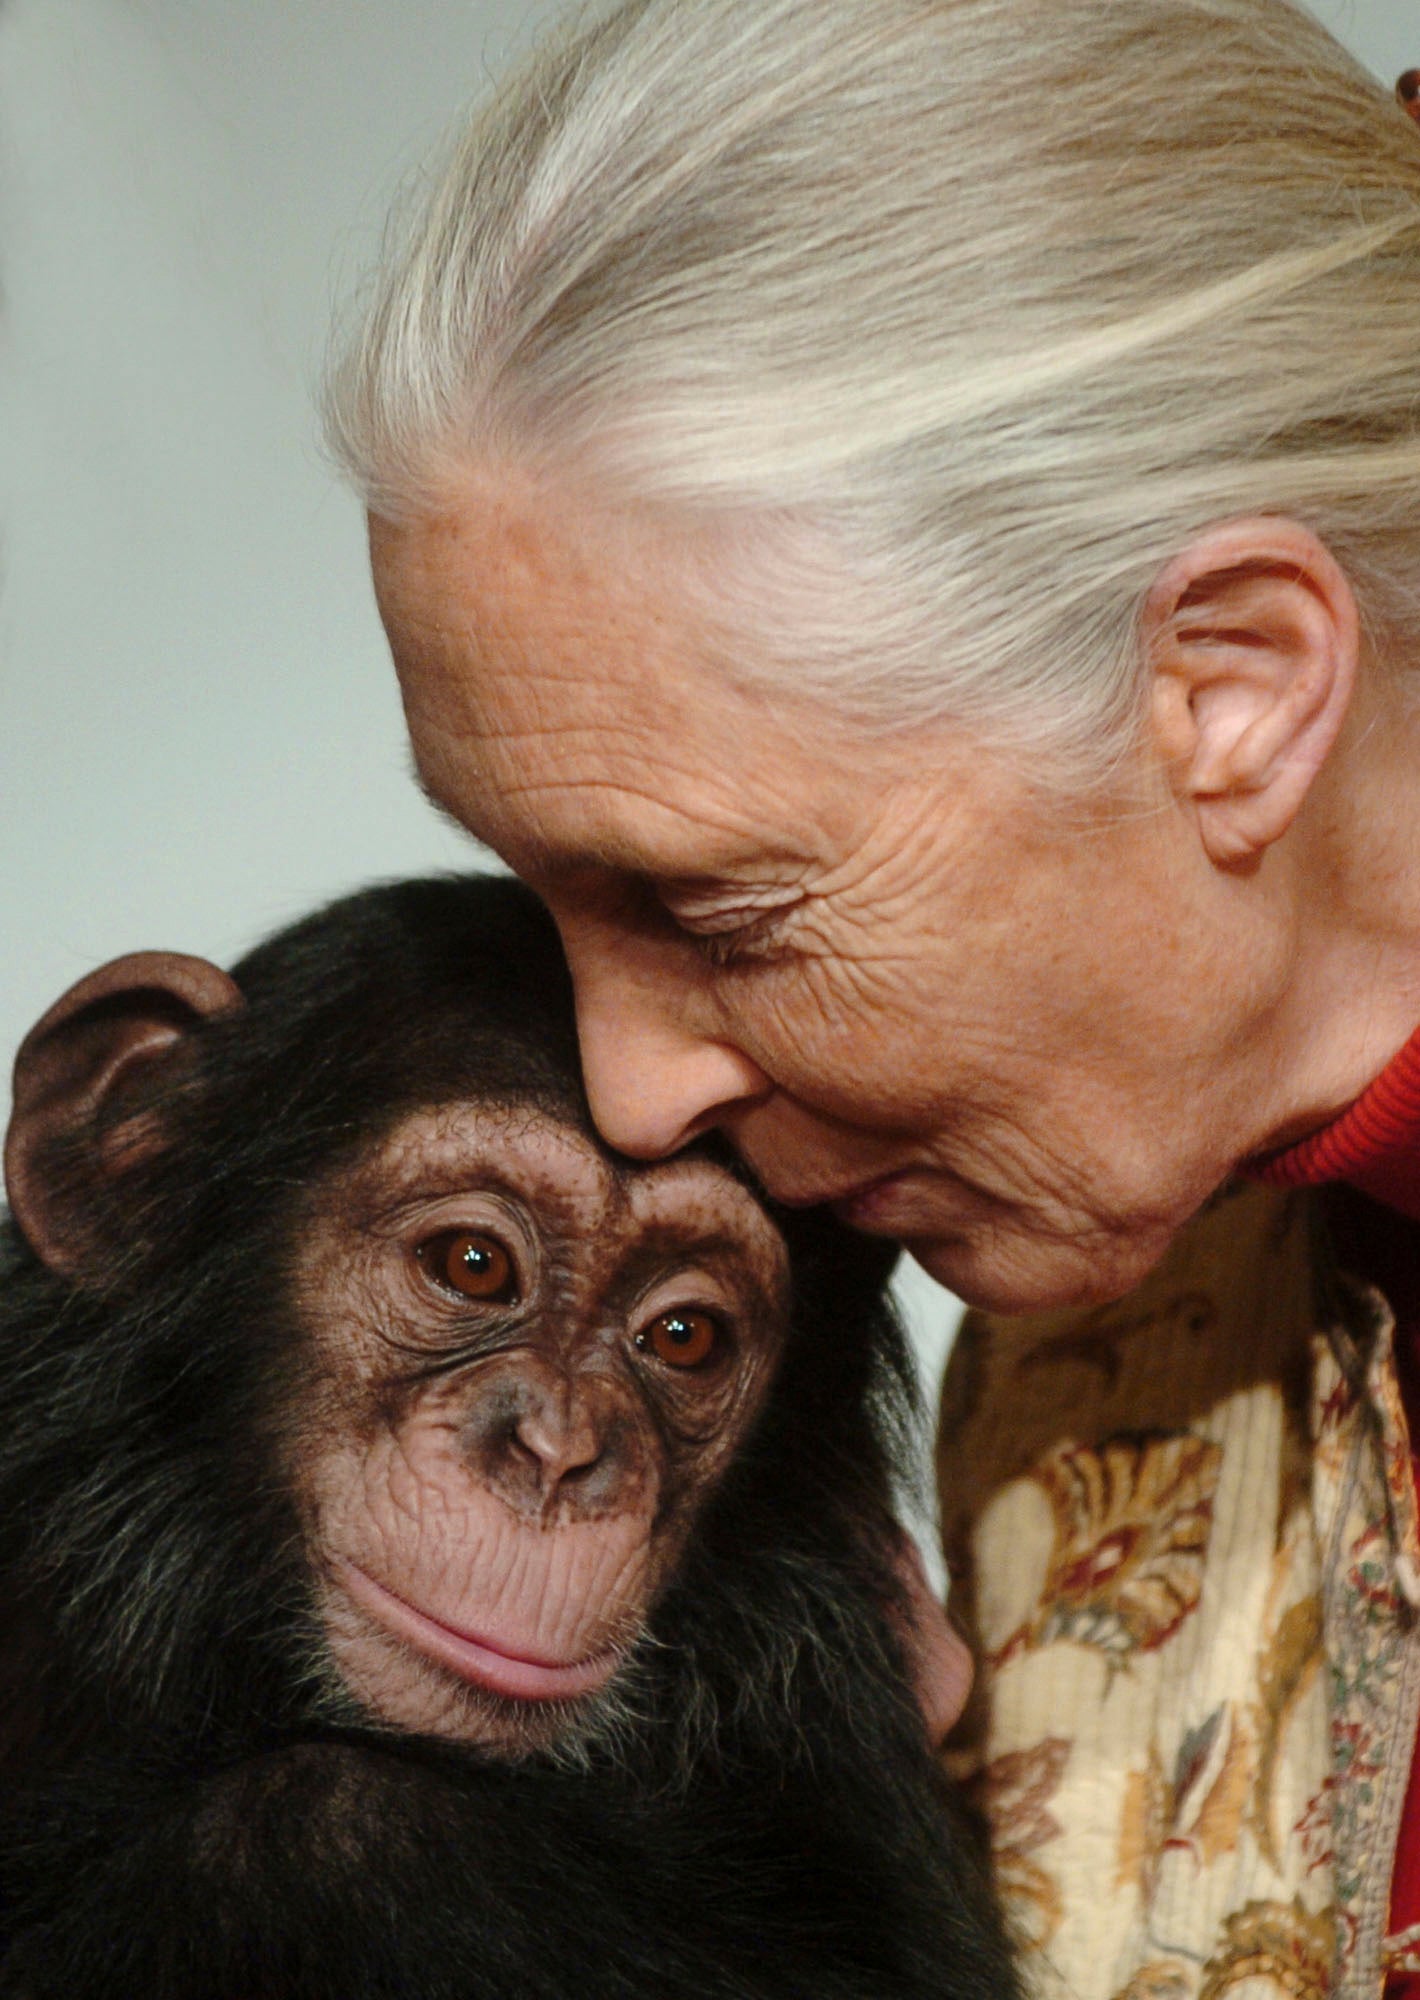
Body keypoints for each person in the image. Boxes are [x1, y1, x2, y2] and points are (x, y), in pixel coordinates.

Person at [324, 2, 1420, 1993]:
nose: (625, 1092)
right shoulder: (1063, 1335)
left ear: (1231, 695)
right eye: (546, 895)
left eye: (710, 906)